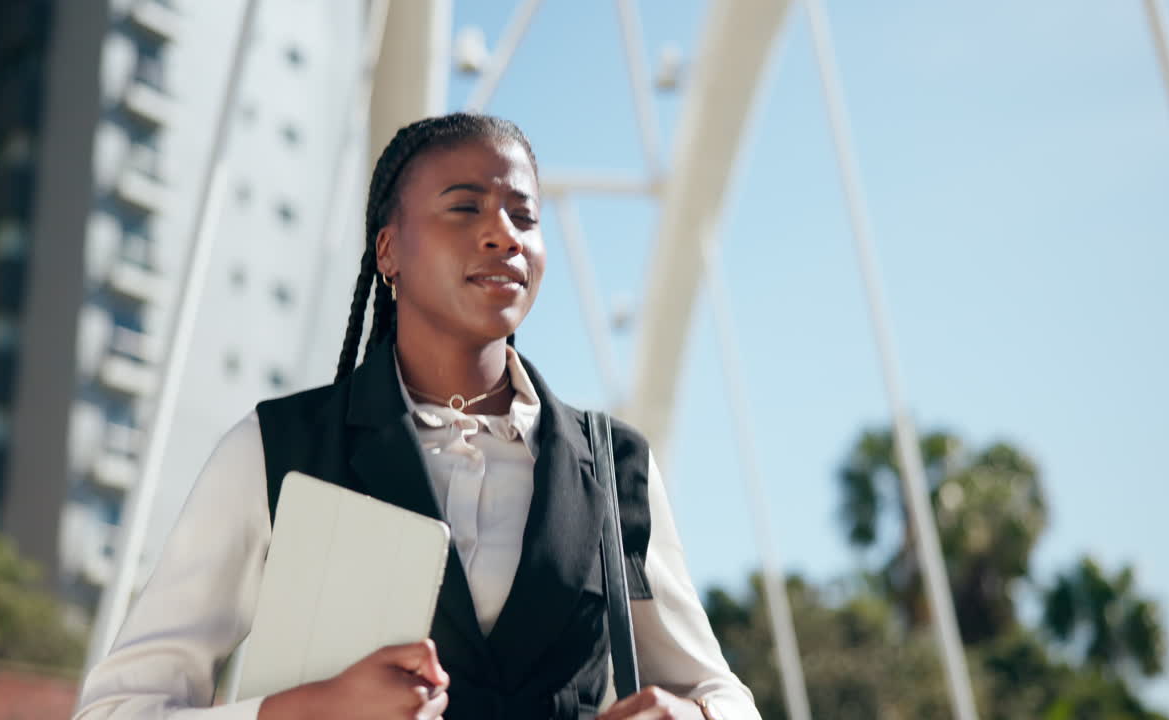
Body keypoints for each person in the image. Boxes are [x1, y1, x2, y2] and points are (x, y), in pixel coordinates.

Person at [74, 113, 760, 720]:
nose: (504, 236)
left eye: (524, 216)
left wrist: (688, 717)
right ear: (389, 252)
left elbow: (719, 693)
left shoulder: (613, 468)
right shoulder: (276, 449)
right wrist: (307, 712)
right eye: (465, 208)